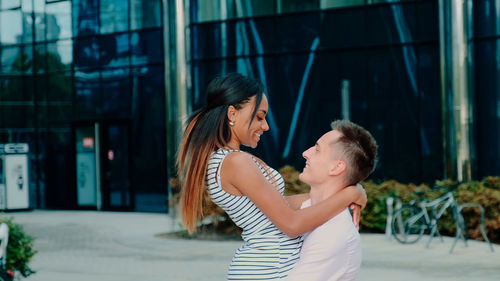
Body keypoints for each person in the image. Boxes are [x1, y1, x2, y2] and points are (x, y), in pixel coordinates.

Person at [177, 73, 367, 280]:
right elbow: (292, 225)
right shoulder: (235, 162)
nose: (265, 126)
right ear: (232, 114)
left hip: (268, 268)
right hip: (268, 271)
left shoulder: (230, 160)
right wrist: (350, 194)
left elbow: (280, 205)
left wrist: (344, 191)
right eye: (259, 117)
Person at [286, 120, 378, 281]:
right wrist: (351, 192)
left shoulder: (332, 234)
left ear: (336, 167)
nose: (306, 153)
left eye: (317, 149)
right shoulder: (306, 208)